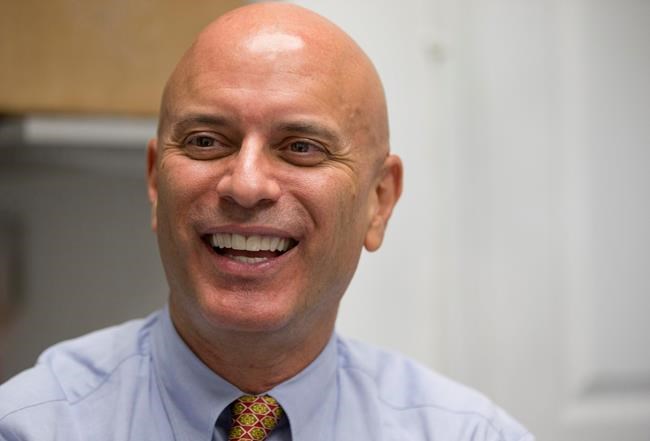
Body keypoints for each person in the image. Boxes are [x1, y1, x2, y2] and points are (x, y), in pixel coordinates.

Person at [0, 3, 534, 440]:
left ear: (379, 200)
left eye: (301, 147)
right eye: (206, 141)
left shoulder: (470, 434)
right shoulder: (31, 425)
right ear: (157, 183)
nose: (246, 185)